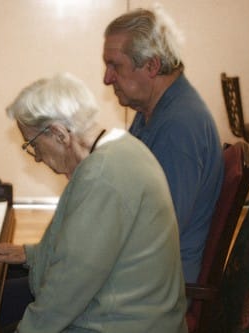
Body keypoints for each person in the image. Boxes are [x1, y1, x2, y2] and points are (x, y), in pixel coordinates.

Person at [0, 72, 187, 333]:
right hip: (125, 307)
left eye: (33, 144)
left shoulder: (103, 177)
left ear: (58, 133)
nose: (38, 158)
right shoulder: (120, 148)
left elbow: (70, 285)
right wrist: (29, 255)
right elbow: (81, 247)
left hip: (123, 322)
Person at [102, 5, 224, 284]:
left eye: (115, 65)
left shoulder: (178, 127)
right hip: (144, 272)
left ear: (152, 65)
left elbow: (155, 234)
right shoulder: (152, 111)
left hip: (156, 288)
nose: (107, 78)